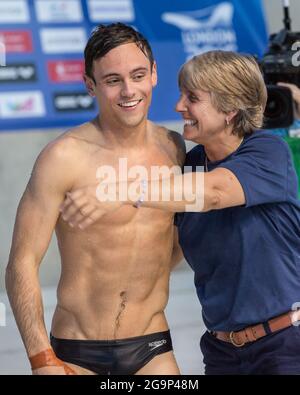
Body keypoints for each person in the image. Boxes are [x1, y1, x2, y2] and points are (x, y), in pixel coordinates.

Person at [61, 50, 300, 375]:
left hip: (283, 346)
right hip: (222, 351)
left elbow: (213, 193)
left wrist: (116, 190)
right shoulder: (190, 164)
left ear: (230, 108)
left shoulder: (267, 152)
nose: (178, 106)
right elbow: (169, 247)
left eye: (193, 98)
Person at [5, 23, 185, 375]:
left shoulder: (174, 148)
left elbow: (186, 231)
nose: (128, 90)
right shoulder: (63, 157)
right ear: (90, 84)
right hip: (76, 351)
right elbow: (21, 264)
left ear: (154, 74)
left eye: (137, 75)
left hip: (152, 347)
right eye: (113, 80)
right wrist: (42, 360)